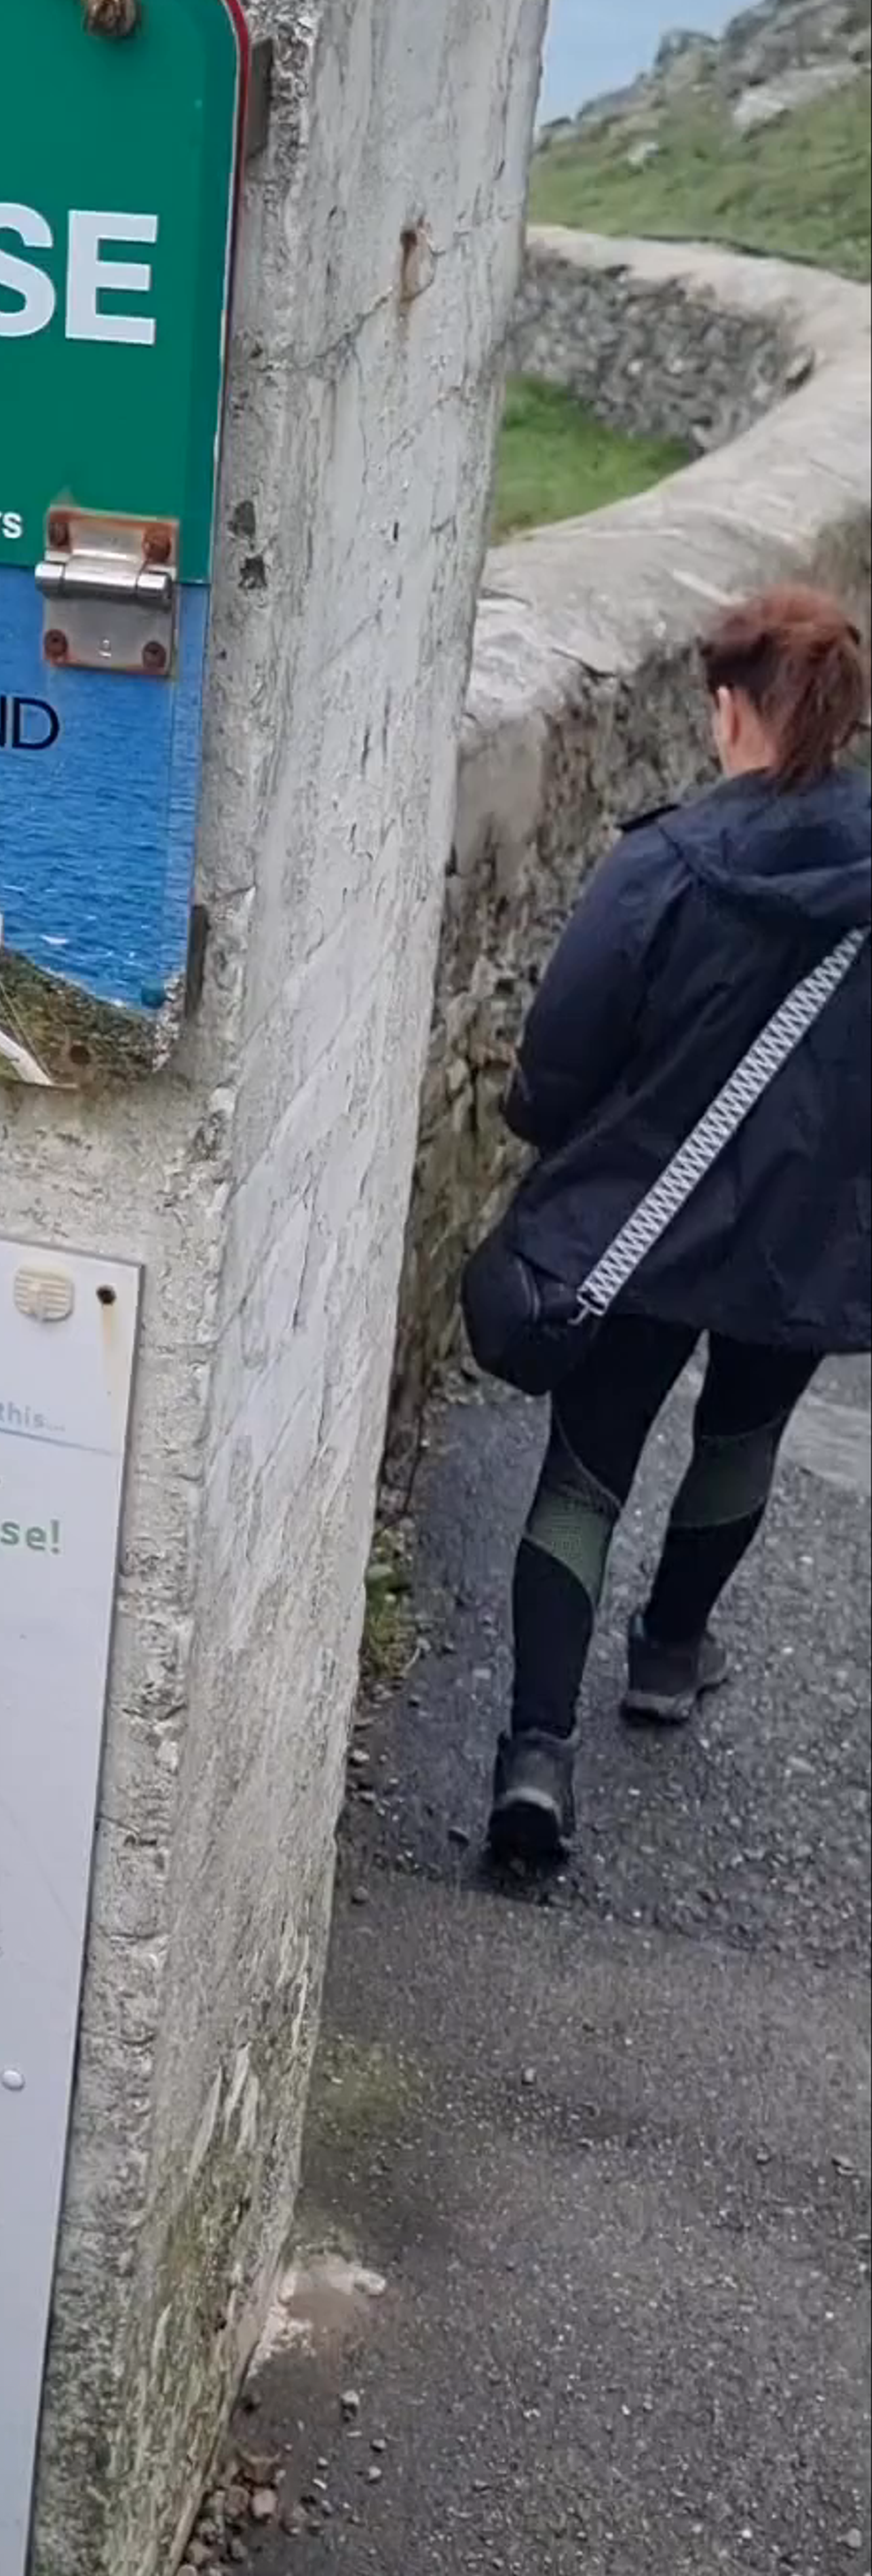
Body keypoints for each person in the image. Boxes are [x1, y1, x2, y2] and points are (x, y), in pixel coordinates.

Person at [487, 582, 869, 1865]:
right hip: (813, 1233)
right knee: (744, 1433)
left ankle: (538, 1756)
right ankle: (668, 1653)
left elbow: (554, 1068)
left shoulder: (661, 865)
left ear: (728, 711)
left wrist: (561, 1131)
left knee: (587, 1469)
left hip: (644, 1228)